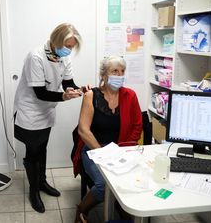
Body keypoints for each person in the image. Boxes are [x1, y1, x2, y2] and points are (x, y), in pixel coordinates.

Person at [13, 23, 91, 213]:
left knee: (42, 147)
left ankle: (42, 183)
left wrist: (76, 89)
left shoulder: (64, 58)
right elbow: (40, 92)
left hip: (47, 110)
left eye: (72, 47)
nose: (69, 50)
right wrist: (64, 96)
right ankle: (34, 192)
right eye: (67, 45)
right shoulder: (36, 56)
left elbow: (67, 82)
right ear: (55, 40)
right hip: (30, 110)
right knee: (32, 150)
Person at [74, 56, 143, 222]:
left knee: (135, 179)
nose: (119, 75)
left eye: (122, 71)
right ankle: (82, 210)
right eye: (114, 71)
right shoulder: (91, 95)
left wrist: (126, 148)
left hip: (120, 149)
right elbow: (83, 130)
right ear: (104, 75)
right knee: (104, 184)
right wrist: (103, 153)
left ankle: (122, 207)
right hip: (92, 149)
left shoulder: (130, 95)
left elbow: (137, 126)